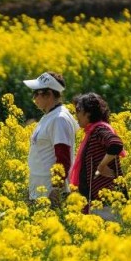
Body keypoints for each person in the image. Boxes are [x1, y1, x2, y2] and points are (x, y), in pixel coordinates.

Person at [23, 72, 78, 204]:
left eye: (37, 93)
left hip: (49, 192)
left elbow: (63, 156)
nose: (34, 98)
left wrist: (56, 188)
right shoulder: (50, 116)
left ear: (49, 94)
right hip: (39, 189)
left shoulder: (59, 119)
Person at [70, 92, 128, 217]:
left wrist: (101, 167)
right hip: (99, 201)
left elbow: (116, 144)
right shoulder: (92, 132)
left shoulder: (99, 130)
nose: (76, 115)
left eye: (78, 111)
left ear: (88, 113)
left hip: (108, 202)